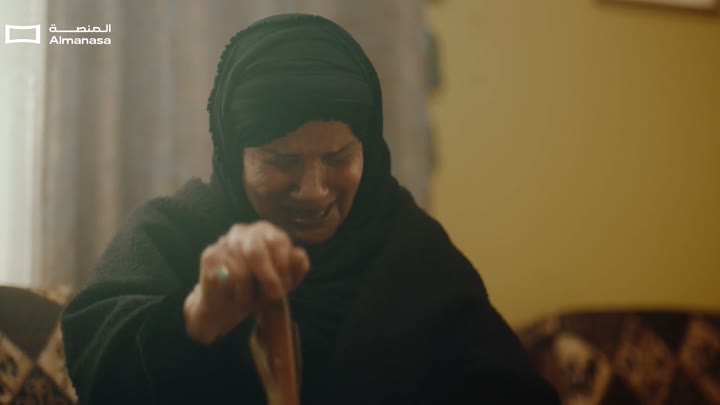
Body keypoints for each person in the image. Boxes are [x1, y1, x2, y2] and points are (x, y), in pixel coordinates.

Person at [61, 13, 560, 405]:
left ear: (368, 150)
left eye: (338, 158)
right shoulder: (171, 234)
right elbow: (100, 372)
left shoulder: (412, 251)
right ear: (234, 156)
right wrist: (197, 318)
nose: (314, 191)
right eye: (282, 162)